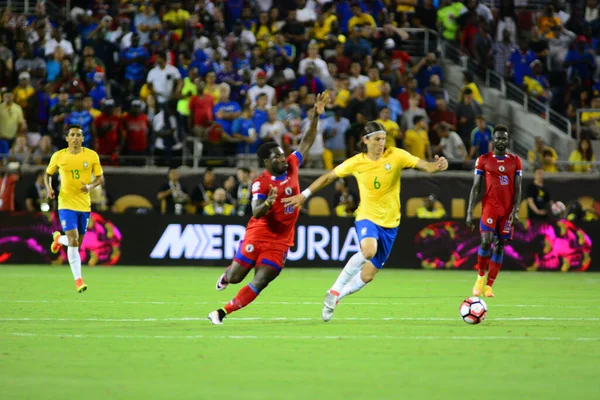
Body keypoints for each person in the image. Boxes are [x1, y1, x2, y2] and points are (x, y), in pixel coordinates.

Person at [282, 121, 448, 322]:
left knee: (368, 275)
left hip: (391, 223)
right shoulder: (356, 162)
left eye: (383, 139)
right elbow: (328, 177)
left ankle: (335, 299)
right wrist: (304, 194)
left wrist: (437, 166)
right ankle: (335, 289)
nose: (381, 143)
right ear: (365, 140)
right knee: (368, 250)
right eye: (377, 139)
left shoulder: (396, 155)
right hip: (367, 217)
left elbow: (425, 166)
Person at [207, 92, 328, 325]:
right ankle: (226, 274)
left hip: (281, 240)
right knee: (235, 276)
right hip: (259, 232)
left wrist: (315, 117)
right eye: (277, 158)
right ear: (266, 163)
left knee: (261, 281)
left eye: (283, 155)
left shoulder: (292, 165)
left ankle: (222, 312)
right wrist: (268, 203)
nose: (284, 159)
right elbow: (255, 212)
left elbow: (307, 140)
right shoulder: (260, 183)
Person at [46, 125, 104, 293]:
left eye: (79, 135)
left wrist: (90, 185)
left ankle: (58, 240)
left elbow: (100, 178)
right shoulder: (59, 156)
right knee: (73, 240)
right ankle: (78, 280)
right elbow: (47, 174)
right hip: (65, 203)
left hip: (84, 204)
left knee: (76, 244)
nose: (76, 138)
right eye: (72, 135)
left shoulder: (91, 155)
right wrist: (49, 188)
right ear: (67, 138)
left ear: (83, 138)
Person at [466, 125, 522, 298]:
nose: (501, 141)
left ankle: (489, 286)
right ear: (493, 139)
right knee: (486, 241)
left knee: (500, 246)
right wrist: (469, 211)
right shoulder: (483, 159)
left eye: (504, 138)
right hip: (490, 207)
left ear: (507, 140)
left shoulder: (515, 160)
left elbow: (518, 188)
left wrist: (516, 209)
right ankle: (480, 277)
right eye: (498, 138)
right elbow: (476, 187)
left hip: (507, 210)